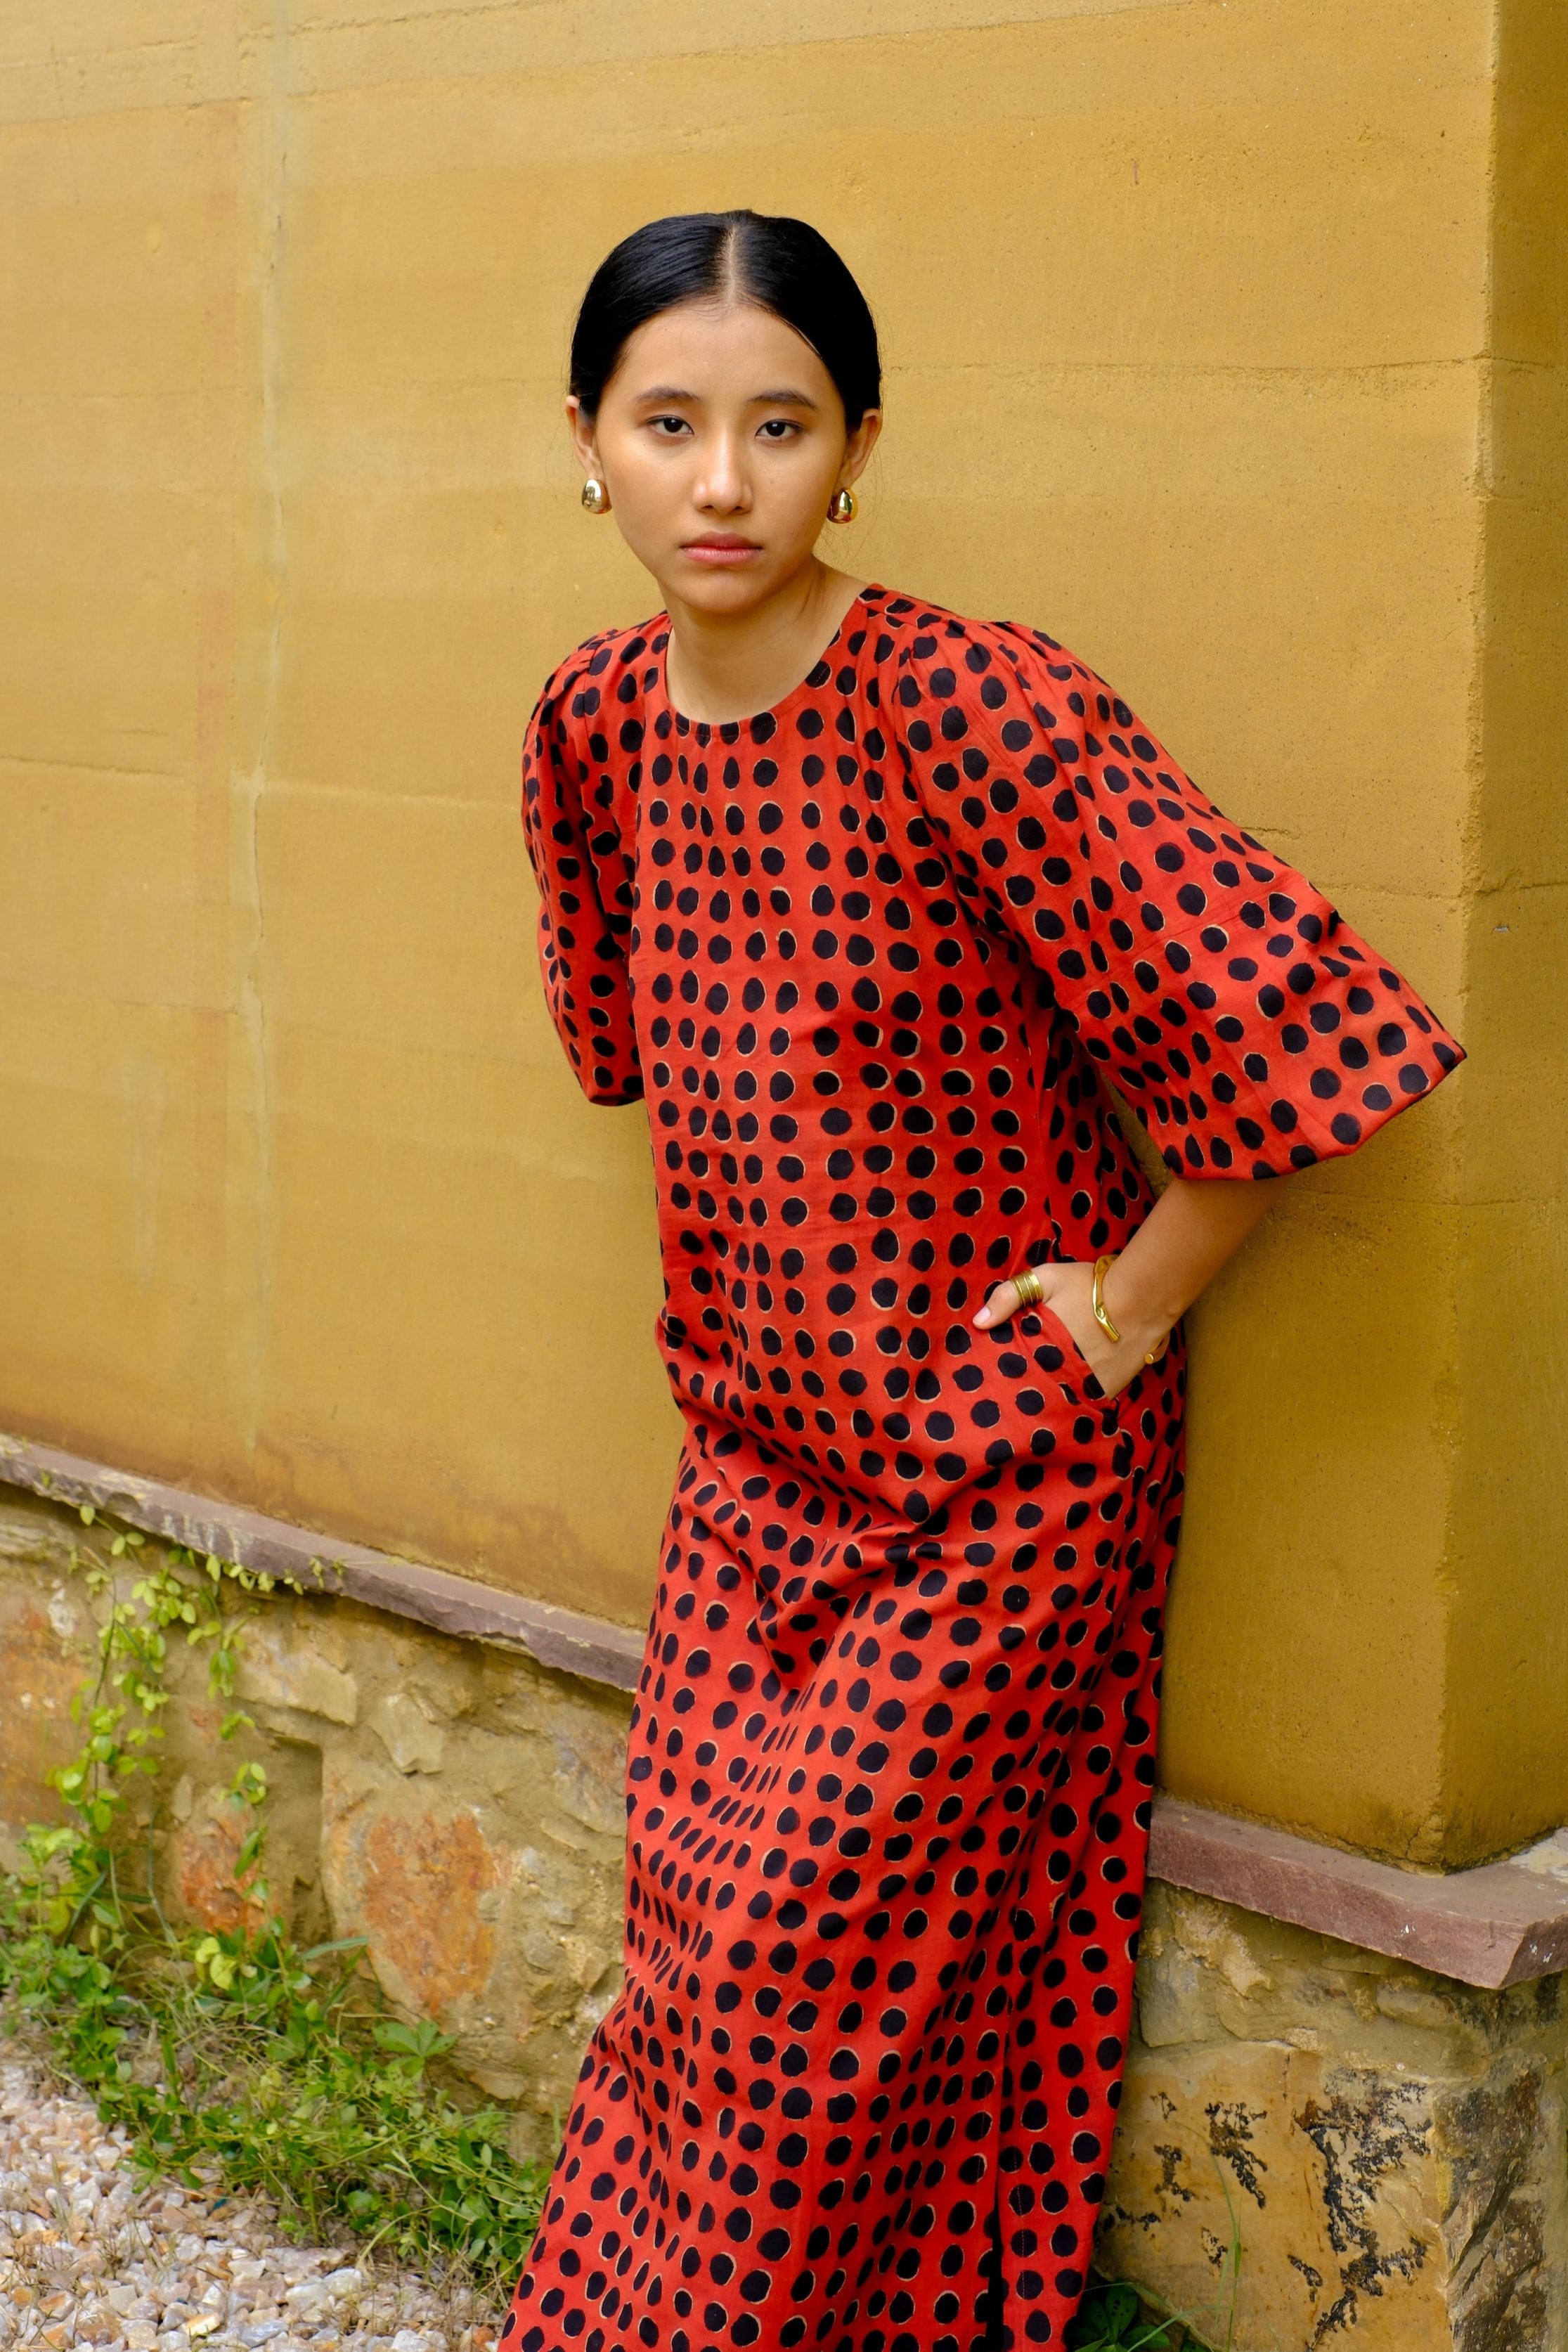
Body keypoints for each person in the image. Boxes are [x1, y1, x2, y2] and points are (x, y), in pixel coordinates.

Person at [502, 210, 1462, 2352]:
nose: (724, 481)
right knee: (709, 1975)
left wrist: (1117, 1314)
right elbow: (625, 1046)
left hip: (994, 1484)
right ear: (589, 446)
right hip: (752, 1473)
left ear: (857, 451)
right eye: (671, 424)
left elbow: (1281, 1037)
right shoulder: (591, 727)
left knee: (783, 1989)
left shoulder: (966, 700)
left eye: (781, 425)